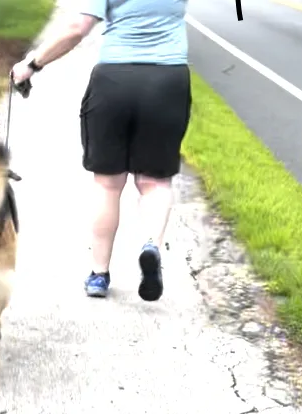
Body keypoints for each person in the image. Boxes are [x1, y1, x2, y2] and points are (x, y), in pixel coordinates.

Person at [11, 0, 191, 302]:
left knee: (108, 184)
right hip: (168, 81)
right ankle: (152, 246)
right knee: (155, 182)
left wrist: (31, 65)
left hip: (114, 81)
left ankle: (99, 274)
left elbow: (76, 28)